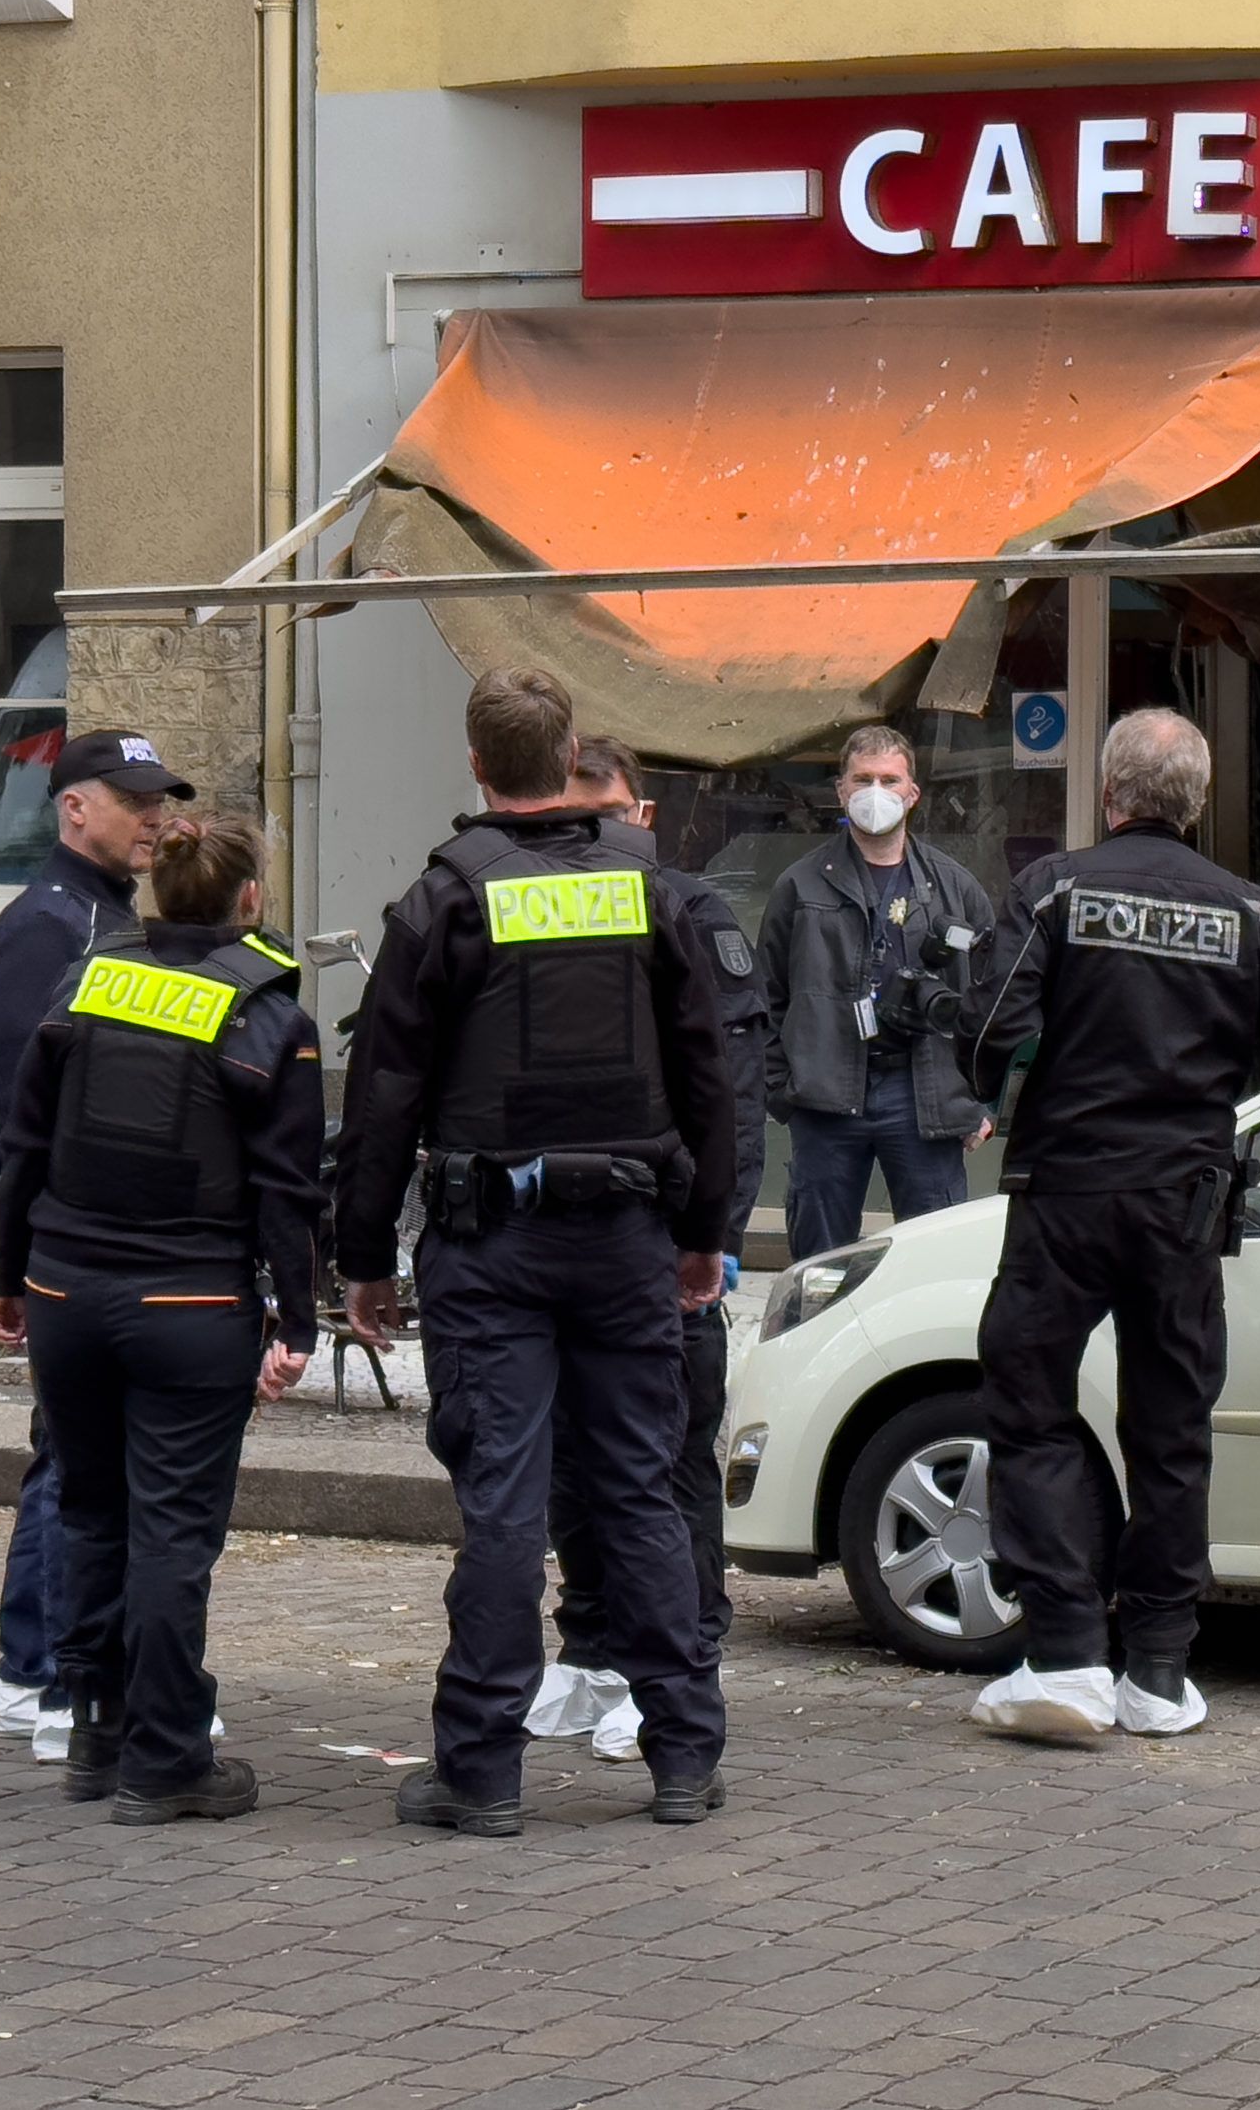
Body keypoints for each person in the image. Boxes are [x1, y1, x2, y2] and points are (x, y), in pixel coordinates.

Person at [334, 667, 737, 1836]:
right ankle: (683, 1756)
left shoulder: (444, 902)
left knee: (506, 1507)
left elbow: (384, 1093)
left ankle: (482, 1773)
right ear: (569, 761)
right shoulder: (649, 895)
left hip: (492, 1245)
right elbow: (708, 1076)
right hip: (626, 1240)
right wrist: (704, 1234)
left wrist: (364, 1257)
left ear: (475, 762)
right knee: (642, 1490)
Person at [959, 707, 1260, 1743]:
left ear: (1108, 793)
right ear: (1198, 801)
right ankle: (1160, 1673)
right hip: (1184, 1204)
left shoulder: (1056, 889)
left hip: (1066, 1194)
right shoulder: (1251, 912)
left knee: (1031, 1409)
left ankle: (1066, 1655)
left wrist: (986, 1086)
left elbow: (990, 1024)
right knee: (1171, 1431)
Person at [0, 812, 321, 1823]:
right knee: (173, 1532)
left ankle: (97, 1731)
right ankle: (168, 1758)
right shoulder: (267, 1014)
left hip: (66, 1292)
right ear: (248, 899)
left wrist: (8, 1274)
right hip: (189, 1303)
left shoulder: (84, 984)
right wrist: (297, 1323)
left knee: (91, 1513)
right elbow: (287, 1191)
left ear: (160, 892)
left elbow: (24, 1146)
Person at [529, 736, 768, 1762]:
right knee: (568, 1460)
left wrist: (712, 1236)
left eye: (609, 811)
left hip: (666, 1242)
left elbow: (733, 1099)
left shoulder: (691, 914)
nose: (592, 830)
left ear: (646, 815)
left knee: (668, 1463)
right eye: (574, 811)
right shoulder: (529, 906)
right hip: (560, 1240)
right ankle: (590, 1649)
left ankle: (680, 1660)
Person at [0, 728, 196, 1749]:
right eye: (134, 802)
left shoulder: (106, 916)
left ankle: (29, 1663)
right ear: (74, 808)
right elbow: (28, 1111)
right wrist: (28, 1251)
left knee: (70, 1453)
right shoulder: (45, 928)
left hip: (89, 1236)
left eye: (159, 802)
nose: (154, 819)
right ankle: (53, 1674)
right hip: (74, 1235)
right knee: (81, 1463)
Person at [758, 725, 999, 1263]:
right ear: (841, 790)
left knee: (934, 1260)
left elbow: (994, 1001)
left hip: (923, 1096)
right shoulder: (799, 886)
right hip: (824, 1097)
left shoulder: (954, 888)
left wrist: (979, 1101)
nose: (876, 792)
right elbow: (767, 997)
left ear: (912, 793)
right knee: (821, 1265)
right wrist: (783, 1088)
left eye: (889, 780)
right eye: (863, 779)